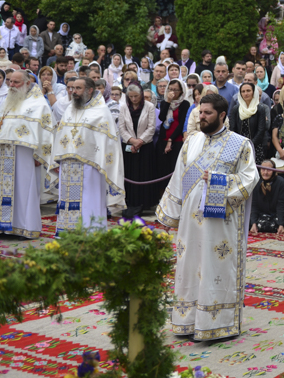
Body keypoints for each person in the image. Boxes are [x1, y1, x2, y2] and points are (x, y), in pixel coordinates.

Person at [157, 93, 259, 340]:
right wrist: (171, 214)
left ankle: (218, 324)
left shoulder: (240, 144)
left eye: (207, 113)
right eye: (200, 113)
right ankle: (188, 320)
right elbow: (178, 177)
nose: (201, 117)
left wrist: (218, 181)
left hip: (220, 224)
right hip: (190, 224)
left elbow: (249, 178)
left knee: (216, 267)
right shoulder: (191, 141)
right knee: (189, 266)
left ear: (222, 115)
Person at [0, 70, 52, 239]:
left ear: (27, 83)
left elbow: (46, 132)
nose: (11, 85)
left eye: (16, 82)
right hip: (3, 155)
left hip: (25, 156)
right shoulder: (6, 104)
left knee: (24, 190)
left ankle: (24, 227)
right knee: (2, 191)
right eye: (10, 82)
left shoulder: (39, 104)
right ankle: (1, 226)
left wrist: (39, 154)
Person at [49, 76, 126, 234]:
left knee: (89, 201)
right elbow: (61, 134)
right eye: (72, 88)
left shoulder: (101, 112)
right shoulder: (70, 108)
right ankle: (66, 233)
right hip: (68, 165)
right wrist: (57, 159)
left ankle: (90, 234)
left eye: (78, 88)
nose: (73, 91)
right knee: (67, 201)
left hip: (91, 166)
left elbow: (108, 142)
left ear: (90, 90)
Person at [119, 84, 158, 219]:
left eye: (136, 96)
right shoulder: (124, 107)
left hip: (145, 146)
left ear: (141, 95)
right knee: (130, 174)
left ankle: (143, 203)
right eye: (131, 97)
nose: (134, 99)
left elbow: (151, 127)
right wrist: (132, 141)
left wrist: (140, 141)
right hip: (129, 146)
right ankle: (130, 202)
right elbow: (122, 128)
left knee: (143, 174)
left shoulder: (149, 107)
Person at [229, 82, 270, 160]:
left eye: (248, 91)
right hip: (239, 146)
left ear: (253, 92)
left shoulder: (260, 109)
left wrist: (250, 145)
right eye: (243, 91)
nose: (246, 93)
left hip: (256, 147)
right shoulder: (236, 109)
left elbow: (261, 130)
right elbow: (233, 129)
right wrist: (240, 145)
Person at [249, 162, 284, 233]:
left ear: (274, 171)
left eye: (269, 170)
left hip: (275, 214)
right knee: (248, 222)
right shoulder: (256, 181)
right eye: (263, 169)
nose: (265, 172)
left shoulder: (280, 182)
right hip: (262, 214)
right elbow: (254, 204)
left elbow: (281, 204)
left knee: (272, 226)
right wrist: (253, 223)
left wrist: (281, 224)